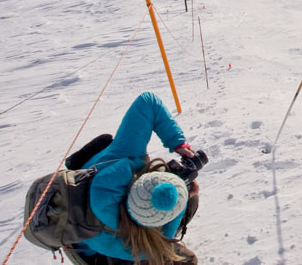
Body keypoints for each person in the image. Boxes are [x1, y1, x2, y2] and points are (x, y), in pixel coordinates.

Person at [65, 92, 201, 265]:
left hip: (84, 203)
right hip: (92, 252)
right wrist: (183, 203)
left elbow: (148, 102)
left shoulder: (128, 153)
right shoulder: (122, 243)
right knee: (187, 261)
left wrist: (178, 144)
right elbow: (160, 240)